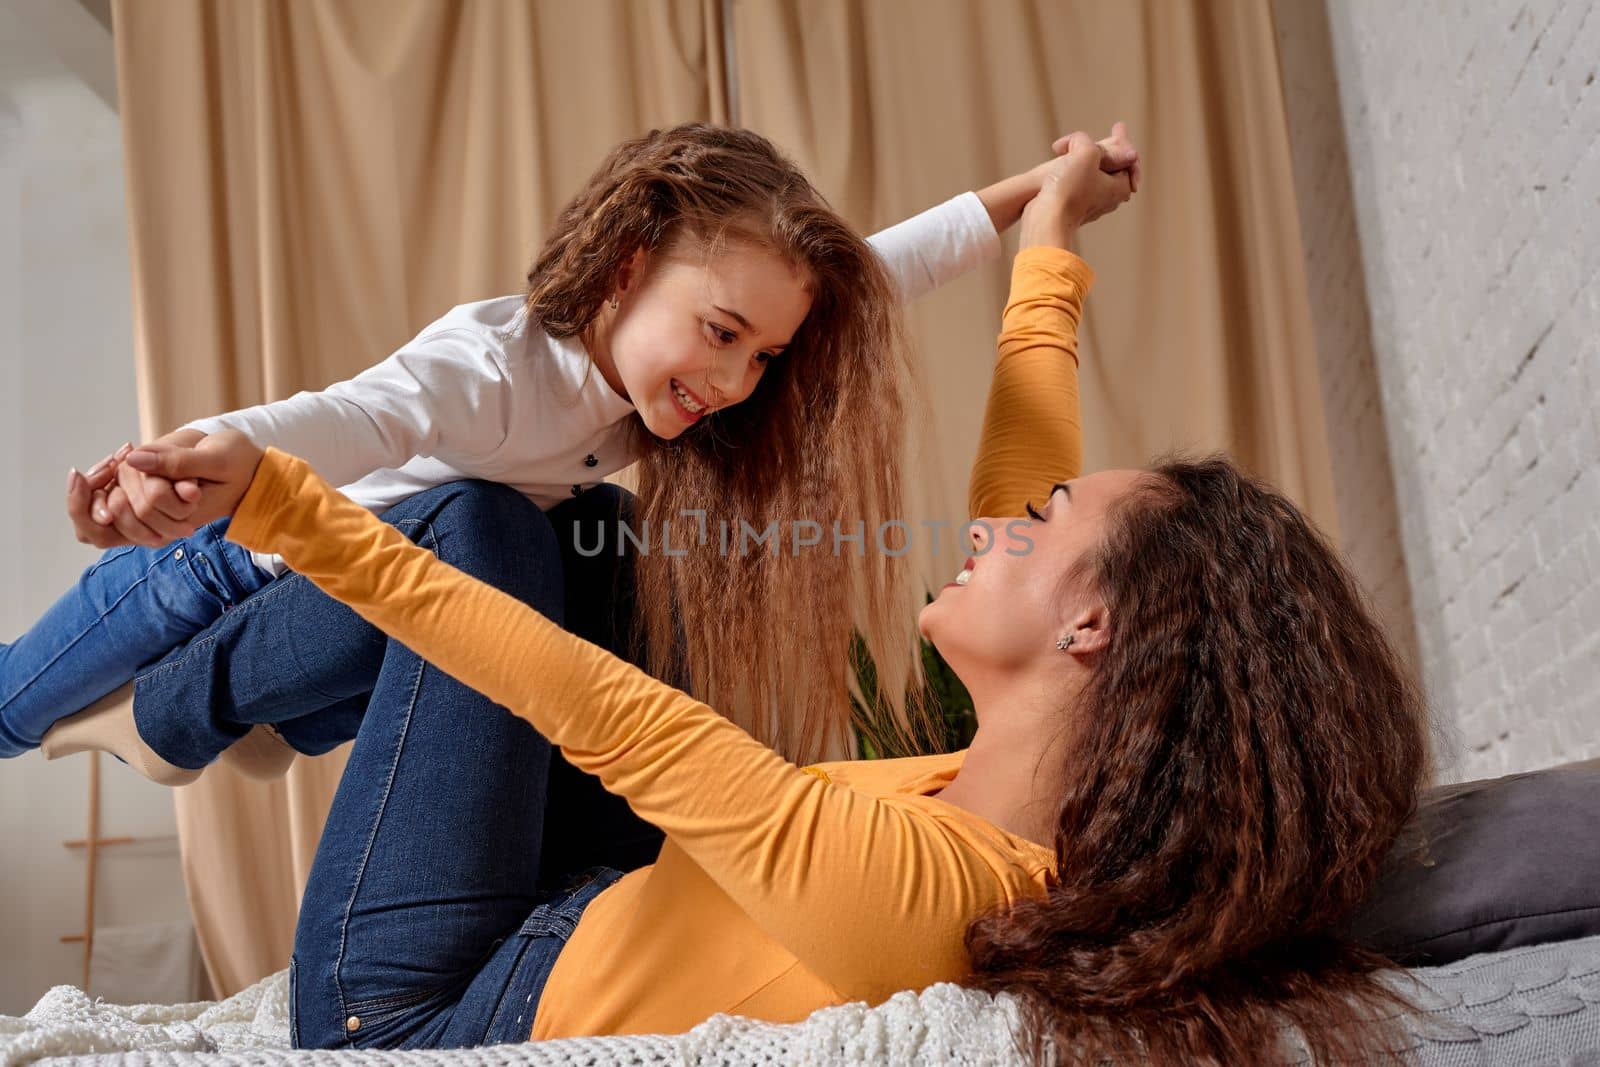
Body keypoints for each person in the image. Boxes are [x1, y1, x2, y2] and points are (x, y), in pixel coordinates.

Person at [116, 132, 1428, 1063]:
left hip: (421, 1006)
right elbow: (1027, 470)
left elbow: (606, 714)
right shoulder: (1033, 828)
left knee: (476, 522)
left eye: (1040, 528)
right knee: (593, 536)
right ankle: (238, 694)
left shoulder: (925, 886)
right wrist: (1048, 237)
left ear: (1093, 626)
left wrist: (277, 497)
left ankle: (178, 705)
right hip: (584, 891)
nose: (999, 524)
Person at [0, 123, 1138, 776]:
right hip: (204, 572)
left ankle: (215, 717)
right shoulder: (495, 363)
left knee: (525, 571)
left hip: (336, 617)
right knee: (12, 702)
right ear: (628, 267)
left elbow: (879, 270)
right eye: (722, 335)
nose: (736, 383)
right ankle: (140, 708)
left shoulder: (640, 405)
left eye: (763, 358)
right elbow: (354, 414)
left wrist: (1037, 197)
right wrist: (212, 453)